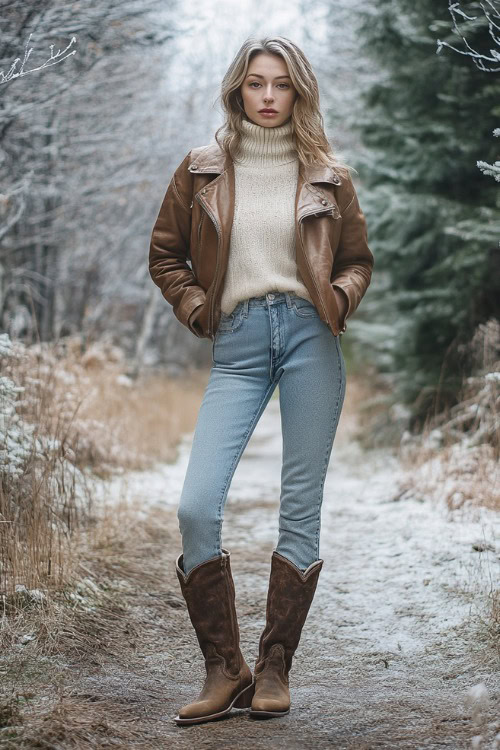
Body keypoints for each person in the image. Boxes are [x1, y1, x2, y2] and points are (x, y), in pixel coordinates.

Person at [149, 35, 374, 726]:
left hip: (311, 337)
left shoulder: (329, 175)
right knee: (196, 504)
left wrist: (336, 300)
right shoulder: (202, 169)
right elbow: (166, 256)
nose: (269, 96)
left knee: (299, 507)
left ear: (299, 91)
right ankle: (225, 668)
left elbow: (358, 260)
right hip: (240, 340)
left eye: (281, 84)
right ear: (237, 89)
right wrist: (196, 307)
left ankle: (274, 669)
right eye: (256, 84)